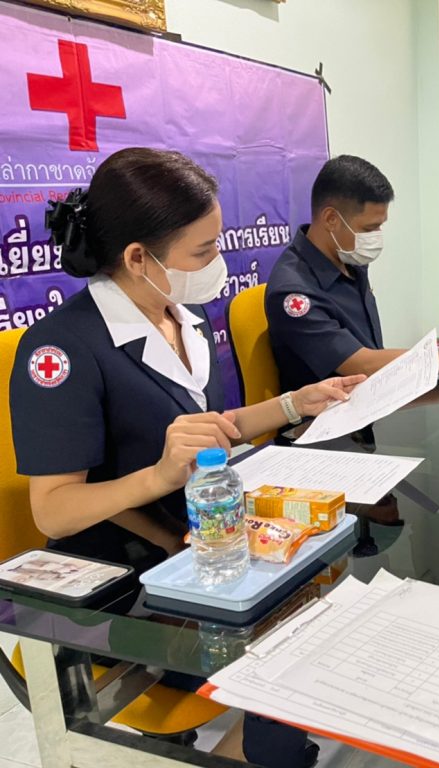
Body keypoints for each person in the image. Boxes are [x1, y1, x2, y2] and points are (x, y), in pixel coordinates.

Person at [9, 148, 364, 767]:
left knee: (330, 596)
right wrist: (158, 476)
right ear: (138, 258)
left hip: (203, 542)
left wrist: (294, 403)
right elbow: (54, 510)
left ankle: (263, 747)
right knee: (296, 640)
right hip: (123, 582)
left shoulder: (181, 316)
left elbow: (208, 431)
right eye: (203, 251)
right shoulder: (61, 350)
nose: (216, 263)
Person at [266, 155, 439, 391]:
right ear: (331, 219)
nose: (376, 237)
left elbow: (375, 365)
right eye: (369, 228)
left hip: (372, 399)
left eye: (380, 226)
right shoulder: (294, 292)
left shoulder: (349, 259)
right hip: (325, 416)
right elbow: (363, 364)